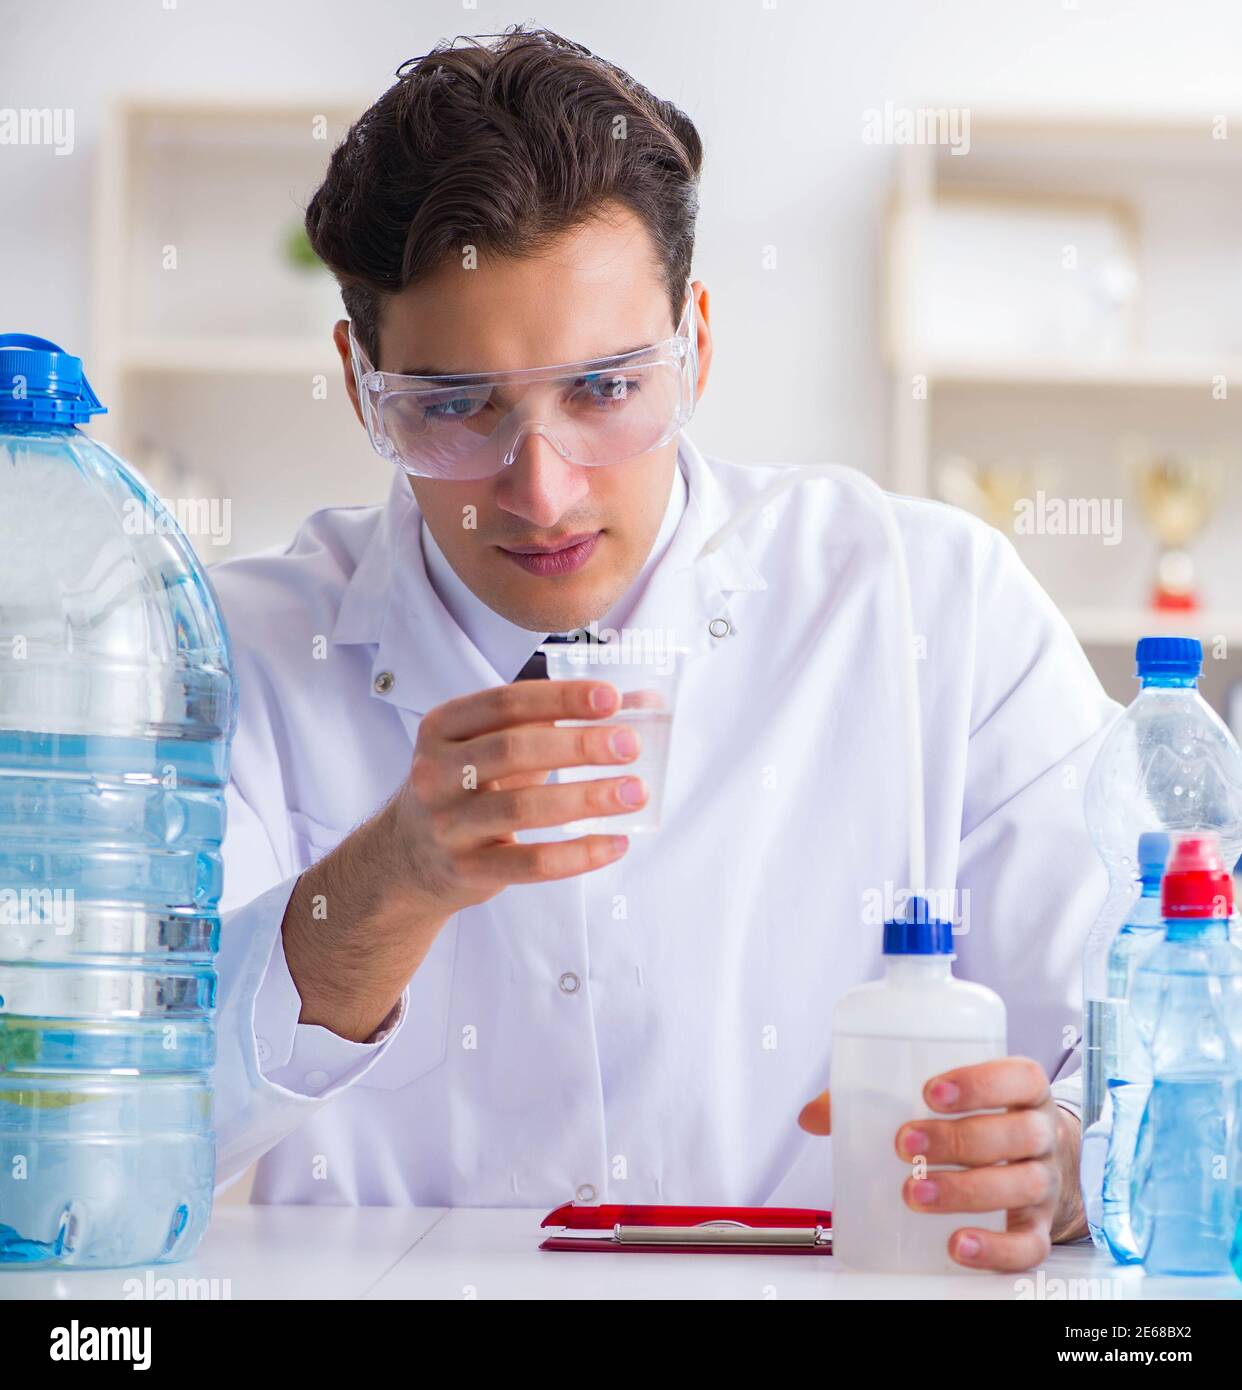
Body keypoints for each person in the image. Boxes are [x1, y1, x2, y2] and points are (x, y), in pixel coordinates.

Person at [210, 24, 1116, 1272]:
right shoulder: (239, 653)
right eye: (457, 407)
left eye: (604, 389)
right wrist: (397, 874)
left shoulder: (931, 602)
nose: (541, 489)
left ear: (695, 341)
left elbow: (1171, 1018)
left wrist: (1066, 1157)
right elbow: (108, 1133)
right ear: (364, 386)